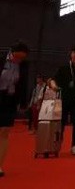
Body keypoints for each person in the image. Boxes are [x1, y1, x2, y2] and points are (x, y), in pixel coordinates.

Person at [49, 47, 75, 156]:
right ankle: (57, 144)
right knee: (60, 123)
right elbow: (53, 80)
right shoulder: (63, 68)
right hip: (64, 99)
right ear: (71, 54)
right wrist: (54, 86)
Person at [0, 42, 29, 178]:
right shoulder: (1, 60)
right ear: (11, 52)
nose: (18, 60)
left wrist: (23, 103)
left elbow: (23, 84)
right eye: (16, 56)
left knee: (4, 131)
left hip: (10, 100)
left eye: (21, 58)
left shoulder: (24, 65)